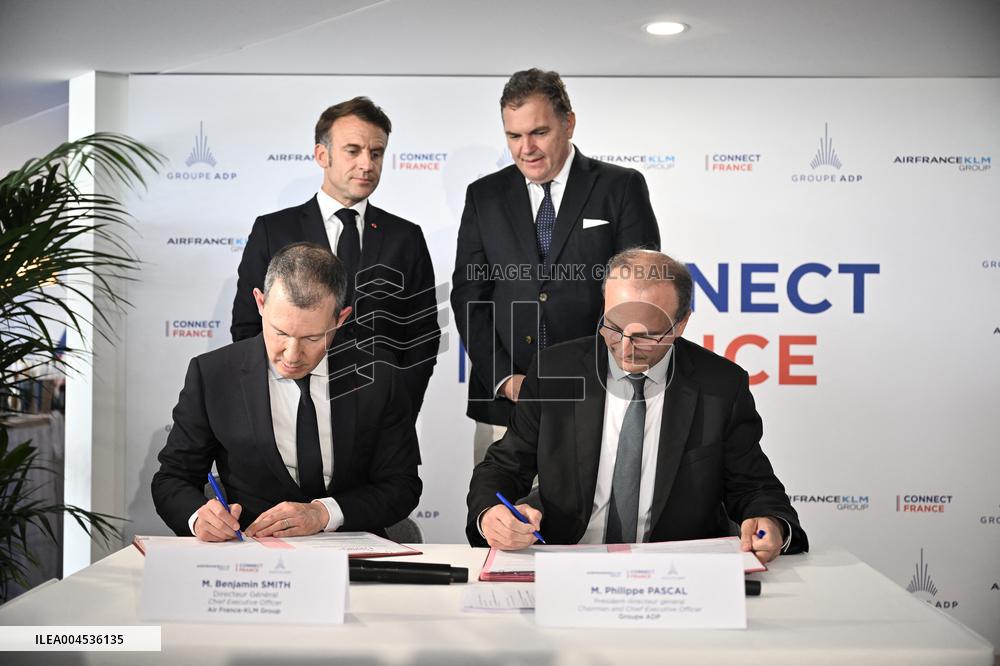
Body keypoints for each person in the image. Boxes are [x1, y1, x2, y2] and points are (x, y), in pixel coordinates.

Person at [466, 249, 808, 563]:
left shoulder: (720, 385)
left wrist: (772, 524)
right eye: (613, 328)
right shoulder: (556, 370)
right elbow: (504, 466)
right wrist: (491, 514)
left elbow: (754, 486)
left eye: (647, 336)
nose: (626, 347)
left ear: (682, 323)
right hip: (567, 561)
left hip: (676, 572)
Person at [451, 68, 661, 464]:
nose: (525, 148)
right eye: (514, 136)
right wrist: (503, 378)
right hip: (505, 404)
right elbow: (470, 294)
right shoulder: (484, 196)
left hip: (597, 397)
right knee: (498, 519)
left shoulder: (620, 186)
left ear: (569, 124)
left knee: (587, 524)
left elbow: (640, 294)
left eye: (539, 132)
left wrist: (596, 374)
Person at [153, 243, 421, 541]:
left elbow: (402, 486)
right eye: (280, 332)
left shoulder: (379, 377)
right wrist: (198, 517)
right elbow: (173, 478)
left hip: (352, 558)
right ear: (260, 303)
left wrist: (323, 514)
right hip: (251, 561)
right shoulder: (214, 375)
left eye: (312, 338)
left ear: (340, 319)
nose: (292, 356)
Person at [231, 97, 440, 419]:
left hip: (381, 419)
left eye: (376, 152)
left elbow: (422, 334)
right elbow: (247, 326)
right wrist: (274, 403)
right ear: (322, 155)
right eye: (353, 150)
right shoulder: (273, 230)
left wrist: (399, 404)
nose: (367, 164)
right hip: (288, 413)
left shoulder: (405, 237)